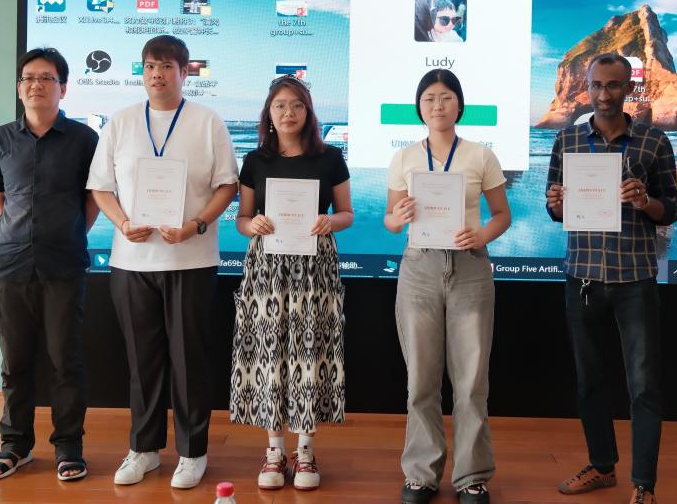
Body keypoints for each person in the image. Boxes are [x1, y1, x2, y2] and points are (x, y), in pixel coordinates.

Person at [86, 35, 238, 489]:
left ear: (184, 72)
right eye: (151, 66)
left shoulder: (207, 122)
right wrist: (122, 222)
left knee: (189, 361)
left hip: (191, 260)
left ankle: (192, 453)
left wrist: (196, 224)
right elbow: (100, 187)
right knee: (142, 360)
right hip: (132, 261)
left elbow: (227, 185)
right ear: (142, 71)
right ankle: (144, 449)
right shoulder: (121, 122)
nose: (157, 74)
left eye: (167, 66)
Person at [545, 52, 677, 504]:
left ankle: (644, 484)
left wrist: (645, 202)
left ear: (627, 88)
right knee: (589, 382)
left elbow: (672, 207)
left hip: (635, 279)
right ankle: (602, 467)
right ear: (586, 87)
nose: (603, 94)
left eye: (613, 85)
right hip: (582, 277)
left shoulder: (653, 141)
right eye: (596, 85)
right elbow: (554, 208)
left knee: (643, 386)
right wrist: (556, 204)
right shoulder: (567, 140)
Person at [384, 69, 511, 504]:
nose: (437, 105)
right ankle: (421, 474)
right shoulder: (404, 157)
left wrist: (481, 235)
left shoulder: (480, 155)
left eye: (445, 97)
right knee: (421, 379)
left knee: (471, 381)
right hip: (419, 268)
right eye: (429, 98)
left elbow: (502, 215)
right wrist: (399, 217)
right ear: (419, 107)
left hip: (470, 268)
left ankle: (472, 475)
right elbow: (389, 220)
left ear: (459, 105)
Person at [230, 75, 354, 491]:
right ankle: (273, 451)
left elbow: (347, 213)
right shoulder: (255, 160)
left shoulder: (330, 157)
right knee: (269, 350)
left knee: (309, 350)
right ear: (269, 112)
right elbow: (242, 219)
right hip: (267, 266)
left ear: (308, 112)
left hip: (315, 265)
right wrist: (252, 225)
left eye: (297, 105)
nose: (288, 112)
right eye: (280, 105)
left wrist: (329, 221)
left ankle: (305, 451)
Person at [0, 48, 99, 482]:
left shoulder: (84, 139)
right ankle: (15, 445)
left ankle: (69, 446)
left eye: (47, 78)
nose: (37, 85)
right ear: (19, 88)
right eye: (29, 78)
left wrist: (68, 233)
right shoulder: (0, 138)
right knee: (14, 362)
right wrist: (20, 234)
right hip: (9, 265)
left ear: (62, 88)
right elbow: (0, 197)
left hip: (63, 265)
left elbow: (93, 199)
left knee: (65, 360)